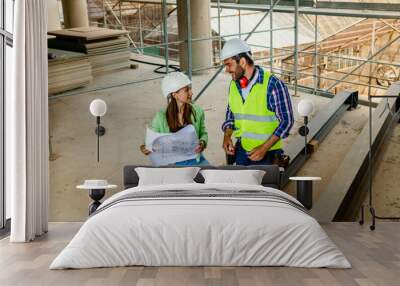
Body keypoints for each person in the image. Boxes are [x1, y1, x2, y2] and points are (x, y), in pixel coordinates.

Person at [221, 38, 294, 166]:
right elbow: (231, 112)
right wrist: (227, 135)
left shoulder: (272, 85)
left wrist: (264, 148)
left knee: (264, 186)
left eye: (229, 64)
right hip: (242, 149)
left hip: (268, 152)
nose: (226, 70)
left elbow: (286, 121)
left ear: (242, 62)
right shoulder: (234, 85)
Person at [140, 72, 209, 166]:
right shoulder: (160, 117)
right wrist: (146, 148)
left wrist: (202, 143)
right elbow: (147, 145)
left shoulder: (198, 111)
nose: (191, 93)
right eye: (186, 90)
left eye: (190, 89)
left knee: (213, 176)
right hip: (172, 163)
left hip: (195, 160)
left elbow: (203, 133)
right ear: (175, 95)